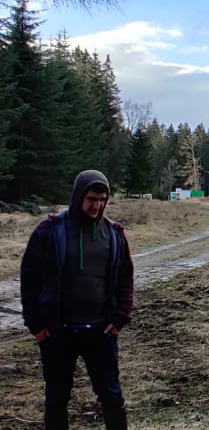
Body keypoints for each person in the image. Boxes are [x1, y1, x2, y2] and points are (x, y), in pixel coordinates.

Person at [20, 170, 134, 430]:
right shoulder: (49, 231)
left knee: (111, 396)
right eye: (92, 199)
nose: (97, 206)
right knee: (57, 398)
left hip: (101, 332)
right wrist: (36, 325)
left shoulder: (114, 233)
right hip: (58, 333)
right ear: (78, 197)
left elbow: (125, 279)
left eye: (103, 200)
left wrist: (120, 317)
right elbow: (29, 279)